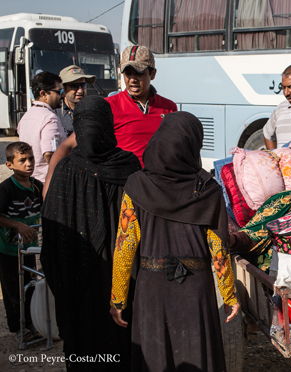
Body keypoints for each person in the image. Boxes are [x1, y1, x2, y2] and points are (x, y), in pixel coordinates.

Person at [109, 112, 240, 372]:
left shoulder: (136, 186)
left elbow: (124, 248)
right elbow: (219, 250)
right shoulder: (208, 190)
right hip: (195, 291)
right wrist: (229, 295)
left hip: (152, 290)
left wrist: (117, 299)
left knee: (156, 356)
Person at [40, 96, 141, 371]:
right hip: (124, 278)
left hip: (77, 284)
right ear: (110, 125)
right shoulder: (129, 166)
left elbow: (51, 235)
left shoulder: (64, 171)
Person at [43, 45, 177, 196]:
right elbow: (68, 145)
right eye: (127, 73)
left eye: (139, 73)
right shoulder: (108, 105)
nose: (132, 79)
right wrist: (50, 186)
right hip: (121, 190)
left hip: (158, 189)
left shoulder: (169, 107)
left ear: (152, 74)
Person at [0, 142, 42, 341]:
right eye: (22, 160)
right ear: (9, 165)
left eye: (31, 159)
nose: (28, 164)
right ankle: (19, 329)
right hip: (8, 249)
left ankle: (33, 323)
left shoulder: (36, 186)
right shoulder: (6, 189)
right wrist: (18, 225)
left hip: (29, 248)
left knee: (30, 285)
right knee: (13, 289)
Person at [17, 72, 67, 183]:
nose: (63, 95)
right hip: (47, 182)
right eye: (59, 91)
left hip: (31, 180)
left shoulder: (26, 116)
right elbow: (49, 153)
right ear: (43, 93)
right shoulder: (50, 118)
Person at [56, 65, 96, 137]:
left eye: (83, 85)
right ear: (63, 88)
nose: (80, 91)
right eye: (75, 86)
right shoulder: (55, 114)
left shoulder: (92, 110)